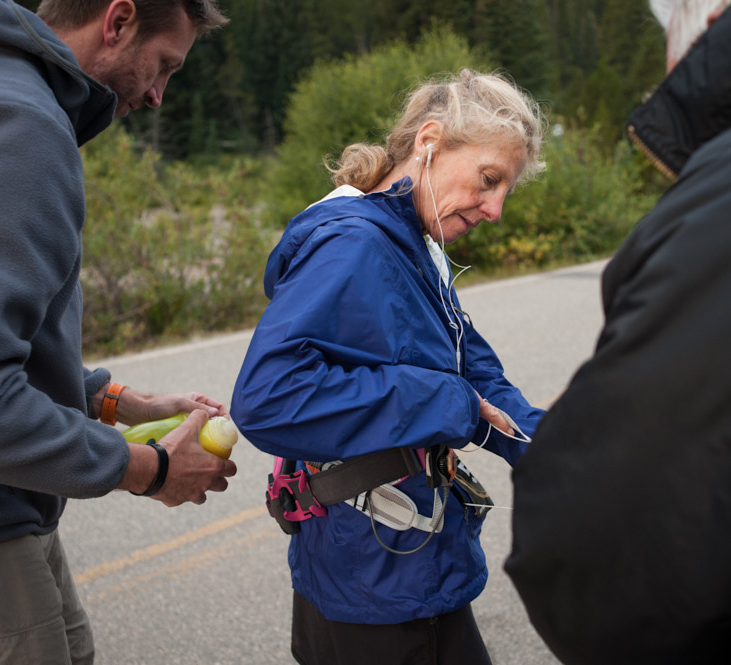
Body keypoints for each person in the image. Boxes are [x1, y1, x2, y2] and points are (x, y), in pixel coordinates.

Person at [504, 0, 731, 663]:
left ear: (706, 25)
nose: (496, 207)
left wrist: (572, 432)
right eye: (488, 182)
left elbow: (608, 568)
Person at [0, 0, 237, 662]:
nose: (159, 96)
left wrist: (114, 399)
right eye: (164, 66)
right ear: (118, 20)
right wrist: (151, 468)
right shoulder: (18, 124)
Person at [230, 69, 546, 665]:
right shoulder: (356, 245)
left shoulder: (414, 246)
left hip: (403, 565)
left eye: (507, 189)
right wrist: (444, 404)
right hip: (376, 584)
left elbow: (474, 375)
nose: (497, 208)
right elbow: (267, 395)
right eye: (489, 179)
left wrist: (565, 452)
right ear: (429, 140)